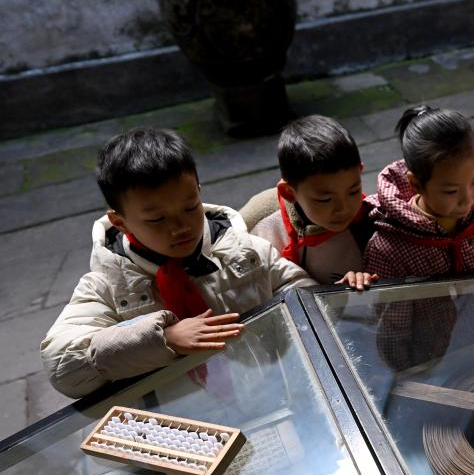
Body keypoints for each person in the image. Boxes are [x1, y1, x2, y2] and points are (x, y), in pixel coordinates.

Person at [40, 128, 315, 398]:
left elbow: (299, 291)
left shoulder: (245, 251)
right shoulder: (108, 287)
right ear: (120, 223)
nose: (180, 227)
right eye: (158, 219)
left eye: (189, 206)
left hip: (272, 395)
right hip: (182, 430)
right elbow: (63, 367)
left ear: (198, 190)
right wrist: (162, 339)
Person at [364, 106, 474, 371]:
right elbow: (393, 330)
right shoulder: (390, 249)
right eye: (450, 191)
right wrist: (408, 378)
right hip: (441, 366)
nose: (468, 199)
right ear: (415, 184)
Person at [248, 115, 377, 289]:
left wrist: (365, 280)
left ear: (360, 172)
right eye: (325, 199)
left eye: (354, 191)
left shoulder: (371, 223)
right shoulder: (262, 228)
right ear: (288, 193)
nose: (343, 208)